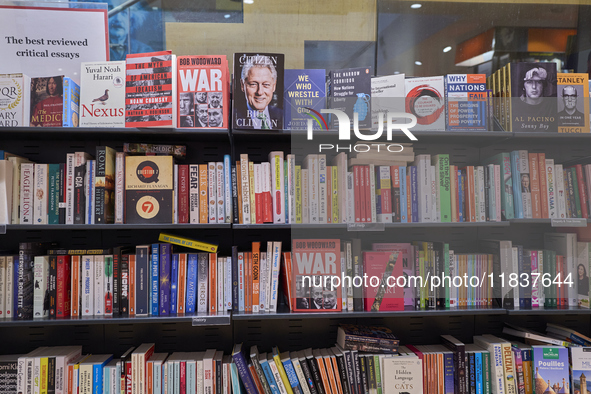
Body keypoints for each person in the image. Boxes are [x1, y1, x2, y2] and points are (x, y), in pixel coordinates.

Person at [234, 55, 282, 129]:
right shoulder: (233, 118)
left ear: (274, 86)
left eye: (266, 84)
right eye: (253, 84)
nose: (260, 92)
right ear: (242, 85)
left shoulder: (282, 116)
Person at [512, 65, 556, 132]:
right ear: (523, 86)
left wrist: (547, 75)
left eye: (538, 82)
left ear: (543, 85)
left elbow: (570, 87)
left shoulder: (553, 102)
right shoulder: (513, 106)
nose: (534, 86)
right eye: (529, 82)